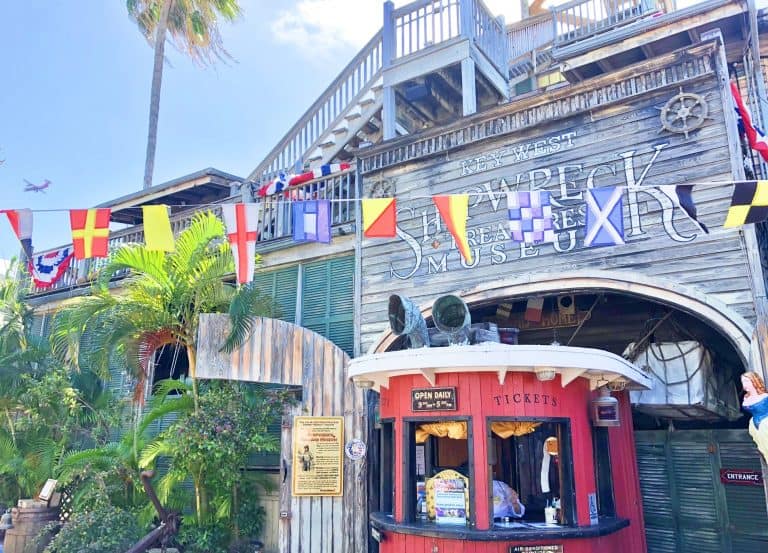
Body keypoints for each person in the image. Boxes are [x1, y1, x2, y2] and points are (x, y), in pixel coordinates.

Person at [742, 371, 768, 462]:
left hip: (766, 423)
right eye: (743, 382)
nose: (744, 384)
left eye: (746, 381)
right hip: (755, 426)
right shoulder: (746, 397)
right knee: (763, 448)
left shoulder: (765, 396)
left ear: (753, 380)